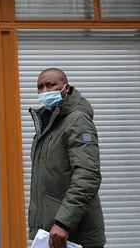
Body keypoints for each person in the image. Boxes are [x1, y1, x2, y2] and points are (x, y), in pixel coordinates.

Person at [28, 68, 106, 248]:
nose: (44, 91)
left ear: (66, 88)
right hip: (52, 235)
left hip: (75, 236)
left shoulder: (77, 121)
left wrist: (63, 222)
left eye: (51, 85)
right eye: (40, 87)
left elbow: (88, 176)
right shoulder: (50, 124)